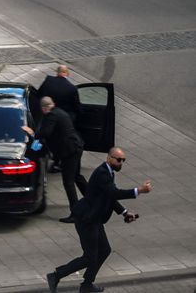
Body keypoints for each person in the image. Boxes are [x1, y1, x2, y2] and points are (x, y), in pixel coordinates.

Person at [46, 147, 152, 293]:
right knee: (89, 257)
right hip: (86, 219)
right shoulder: (102, 173)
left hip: (94, 219)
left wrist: (125, 213)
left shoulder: (109, 172)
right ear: (108, 158)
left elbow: (109, 196)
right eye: (118, 159)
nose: (120, 163)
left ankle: (87, 284)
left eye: (123, 160)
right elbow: (114, 193)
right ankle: (56, 276)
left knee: (104, 250)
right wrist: (138, 190)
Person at [22, 97, 87, 223]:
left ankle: (76, 213)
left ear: (44, 108)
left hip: (69, 151)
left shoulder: (51, 116)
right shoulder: (59, 111)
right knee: (77, 177)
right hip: (76, 147)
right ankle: (92, 199)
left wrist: (32, 133)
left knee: (68, 182)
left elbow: (45, 133)